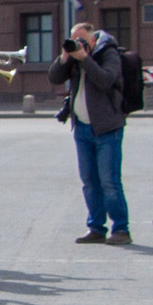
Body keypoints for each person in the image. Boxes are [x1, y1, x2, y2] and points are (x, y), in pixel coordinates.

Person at [50, 22, 130, 245]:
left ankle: (121, 229)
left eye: (82, 41)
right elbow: (54, 78)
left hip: (107, 128)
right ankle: (96, 227)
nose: (78, 44)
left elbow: (106, 80)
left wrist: (85, 58)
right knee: (89, 181)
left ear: (93, 40)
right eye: (75, 40)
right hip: (82, 128)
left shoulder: (108, 53)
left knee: (109, 181)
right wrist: (65, 57)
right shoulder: (74, 57)